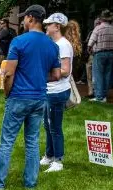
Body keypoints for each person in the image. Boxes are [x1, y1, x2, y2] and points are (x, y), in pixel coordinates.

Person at [0, 5, 61, 190]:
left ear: (31, 18)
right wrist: (38, 77)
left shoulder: (19, 41)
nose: (23, 20)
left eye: (25, 18)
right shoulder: (52, 45)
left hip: (18, 97)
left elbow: (8, 74)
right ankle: (30, 183)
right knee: (32, 142)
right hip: (39, 98)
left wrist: (7, 93)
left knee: (7, 141)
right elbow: (56, 75)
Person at [40, 13, 81, 173]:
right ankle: (49, 155)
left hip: (57, 91)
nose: (46, 26)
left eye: (49, 24)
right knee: (48, 124)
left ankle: (58, 160)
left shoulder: (63, 45)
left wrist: (45, 74)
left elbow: (65, 70)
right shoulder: (54, 42)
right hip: (50, 91)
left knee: (55, 126)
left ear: (57, 27)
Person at [88, 10, 113, 103]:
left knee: (98, 75)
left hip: (99, 53)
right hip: (110, 54)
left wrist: (90, 51)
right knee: (107, 75)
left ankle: (99, 97)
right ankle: (104, 96)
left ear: (102, 18)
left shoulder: (98, 28)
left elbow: (90, 43)